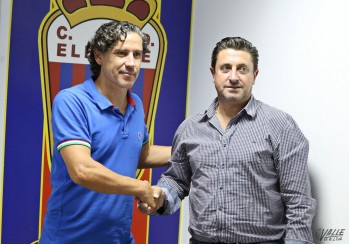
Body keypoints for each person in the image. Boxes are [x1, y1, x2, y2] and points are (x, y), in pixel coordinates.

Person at [139, 37, 316, 244]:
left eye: (242, 69)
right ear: (213, 74)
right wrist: (162, 196)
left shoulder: (280, 126)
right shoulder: (190, 128)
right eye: (225, 68)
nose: (233, 77)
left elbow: (298, 202)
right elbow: (177, 180)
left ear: (254, 75)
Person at [39, 20, 171, 243]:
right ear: (98, 56)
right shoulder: (72, 101)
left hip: (118, 238)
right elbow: (82, 170)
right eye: (121, 53)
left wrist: (190, 150)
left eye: (137, 55)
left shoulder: (135, 104)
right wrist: (140, 187)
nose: (131, 63)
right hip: (69, 239)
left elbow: (138, 153)